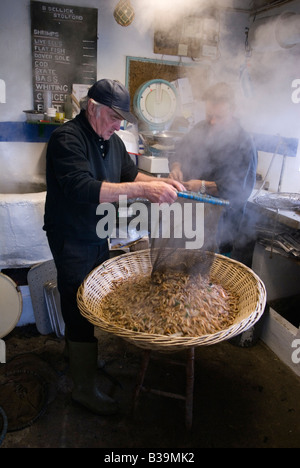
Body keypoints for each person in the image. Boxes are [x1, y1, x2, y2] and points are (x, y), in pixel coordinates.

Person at [43, 79, 185, 416]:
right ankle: (82, 389)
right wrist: (144, 194)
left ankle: (78, 356)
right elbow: (83, 188)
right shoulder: (67, 139)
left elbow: (130, 174)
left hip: (96, 233)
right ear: (92, 108)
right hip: (71, 235)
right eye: (112, 117)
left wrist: (159, 183)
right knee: (77, 302)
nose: (117, 124)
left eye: (121, 119)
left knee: (91, 298)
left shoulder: (113, 140)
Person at [169, 82, 257, 265]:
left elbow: (239, 189)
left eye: (219, 116)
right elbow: (179, 151)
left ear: (232, 111)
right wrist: (176, 167)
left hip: (222, 227)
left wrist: (202, 186)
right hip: (190, 219)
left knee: (213, 278)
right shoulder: (201, 128)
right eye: (209, 115)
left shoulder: (244, 143)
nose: (213, 121)